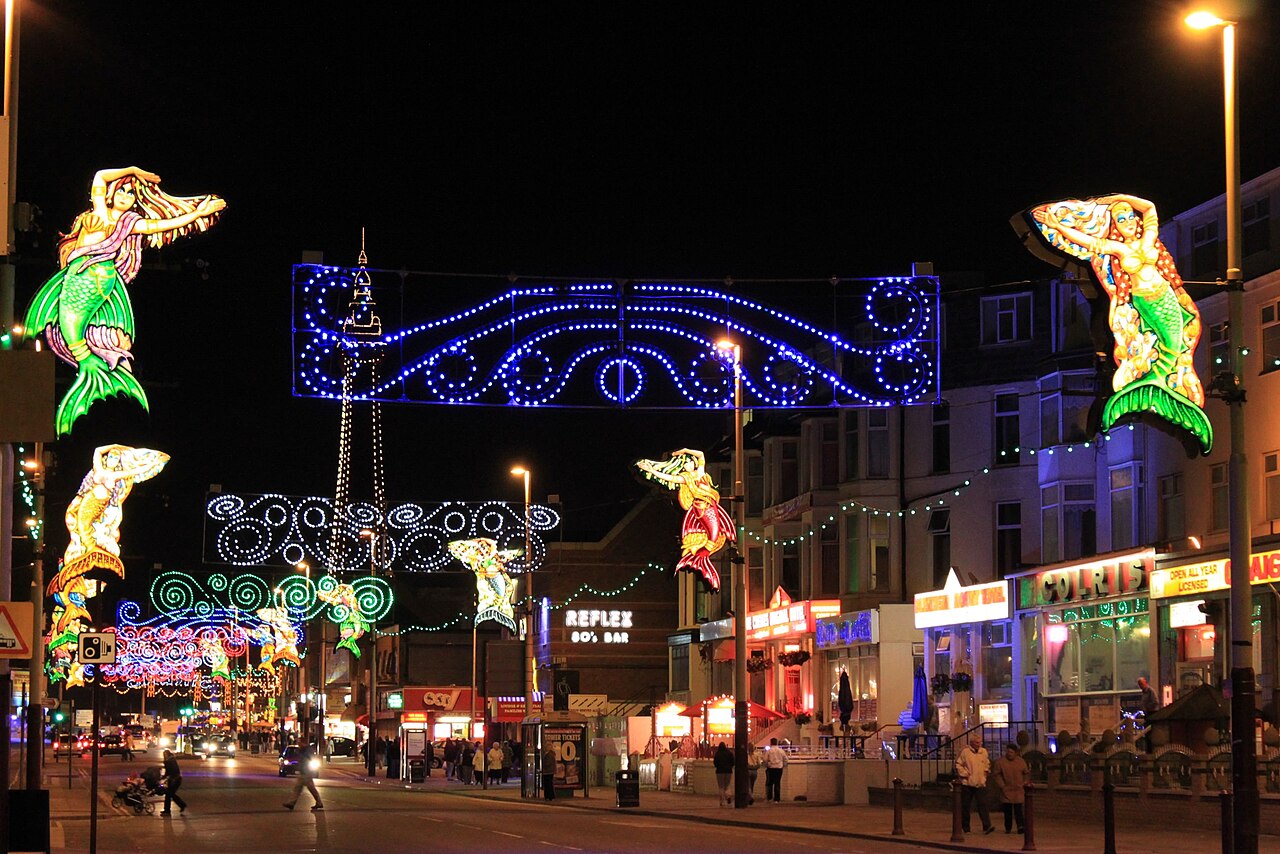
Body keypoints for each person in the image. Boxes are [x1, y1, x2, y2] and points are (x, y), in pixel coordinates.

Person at [22, 166, 226, 436]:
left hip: (103, 281)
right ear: (111, 194)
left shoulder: (130, 224)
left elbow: (162, 225)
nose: (126, 196)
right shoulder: (99, 213)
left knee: (97, 329)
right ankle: (86, 357)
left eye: (132, 194)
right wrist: (133, 170)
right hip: (78, 276)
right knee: (70, 324)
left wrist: (197, 214)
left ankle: (95, 361)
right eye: (122, 190)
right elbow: (99, 177)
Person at [1028, 195, 1212, 453]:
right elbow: (1089, 242)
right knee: (1160, 352)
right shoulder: (1118, 249)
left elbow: (1150, 207)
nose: (1126, 221)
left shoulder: (1148, 239)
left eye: (1128, 216)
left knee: (1175, 347)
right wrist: (1058, 226)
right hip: (1145, 303)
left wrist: (1116, 199)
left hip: (1166, 297)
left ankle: (1168, 406)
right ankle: (1158, 403)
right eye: (1119, 218)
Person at [634, 449, 736, 590]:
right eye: (685, 464)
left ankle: (703, 554)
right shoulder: (685, 478)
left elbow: (701, 454)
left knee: (717, 531)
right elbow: (667, 478)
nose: (687, 465)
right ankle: (700, 556)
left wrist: (682, 451)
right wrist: (651, 470)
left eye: (689, 462)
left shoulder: (700, 473)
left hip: (710, 507)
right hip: (699, 510)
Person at [954, 734, 994, 834]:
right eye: (976, 742)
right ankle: (966, 827)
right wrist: (965, 774)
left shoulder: (983, 752)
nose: (978, 744)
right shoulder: (965, 752)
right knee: (966, 806)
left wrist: (985, 772)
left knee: (983, 804)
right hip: (967, 783)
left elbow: (986, 763)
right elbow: (958, 764)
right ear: (971, 743)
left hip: (980, 782)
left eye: (980, 742)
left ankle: (987, 826)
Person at [991, 744, 1030, 834]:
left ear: (1015, 753)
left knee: (1018, 810)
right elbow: (996, 775)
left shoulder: (1021, 762)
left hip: (1018, 789)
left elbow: (1026, 773)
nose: (1009, 754)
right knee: (1007, 811)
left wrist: (1024, 782)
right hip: (1006, 790)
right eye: (1008, 751)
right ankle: (1008, 827)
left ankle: (1020, 826)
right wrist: (1002, 785)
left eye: (1011, 752)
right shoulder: (1001, 762)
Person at [283, 743, 324, 811]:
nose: (299, 744)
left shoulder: (306, 751)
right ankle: (292, 803)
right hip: (304, 772)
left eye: (300, 743)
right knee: (303, 788)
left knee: (301, 788)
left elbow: (307, 760)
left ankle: (292, 803)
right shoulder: (304, 750)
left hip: (306, 772)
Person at [160, 749, 186, 816]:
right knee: (171, 795)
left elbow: (168, 772)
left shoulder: (168, 761)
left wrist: (162, 777)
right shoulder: (172, 760)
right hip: (176, 779)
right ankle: (181, 805)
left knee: (169, 795)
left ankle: (167, 810)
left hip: (174, 780)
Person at [764, 738, 788, 803]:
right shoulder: (781, 751)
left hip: (771, 768)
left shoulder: (769, 751)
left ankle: (769, 798)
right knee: (777, 783)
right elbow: (785, 759)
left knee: (770, 783)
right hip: (779, 768)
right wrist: (783, 765)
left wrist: (767, 765)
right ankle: (777, 799)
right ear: (777, 742)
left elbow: (765, 760)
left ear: (771, 743)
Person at [712, 741, 735, 806]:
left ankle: (722, 801)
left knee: (721, 786)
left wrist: (718, 766)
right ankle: (728, 796)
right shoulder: (729, 753)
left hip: (719, 771)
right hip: (728, 771)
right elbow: (733, 762)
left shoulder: (717, 754)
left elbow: (715, 763)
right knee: (727, 785)